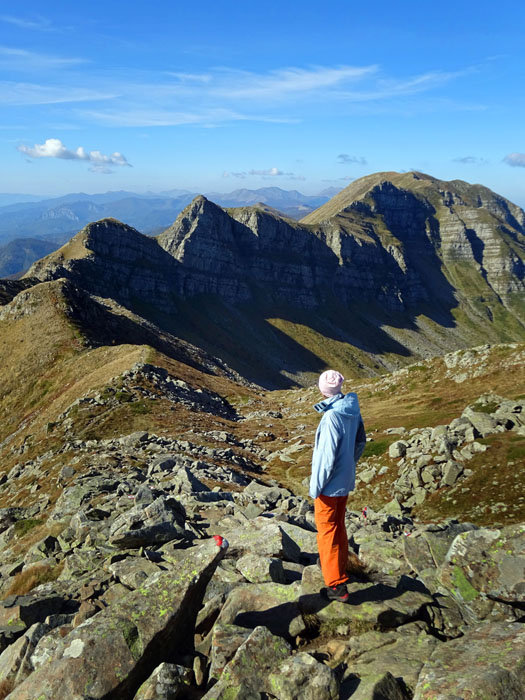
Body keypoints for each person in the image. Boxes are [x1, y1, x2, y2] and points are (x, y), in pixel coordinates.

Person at [309, 369, 366, 602]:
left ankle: (336, 586)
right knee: (338, 527)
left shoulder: (331, 417)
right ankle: (340, 570)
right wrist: (349, 465)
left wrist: (316, 487)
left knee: (327, 531)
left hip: (329, 486)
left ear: (323, 390)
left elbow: (325, 458)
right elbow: (361, 441)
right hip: (344, 481)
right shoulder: (351, 408)